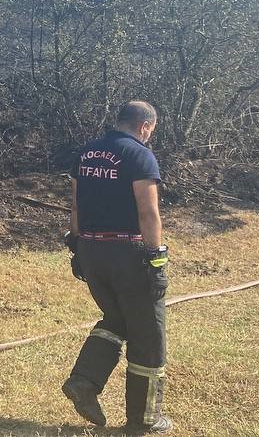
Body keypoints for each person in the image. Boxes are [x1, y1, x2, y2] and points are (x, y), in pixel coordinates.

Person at [61, 101, 173, 435]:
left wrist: (77, 246)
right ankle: (145, 419)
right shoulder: (140, 156)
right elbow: (148, 213)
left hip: (91, 251)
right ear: (145, 126)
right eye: (151, 131)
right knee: (148, 334)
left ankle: (84, 382)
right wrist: (156, 259)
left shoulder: (86, 153)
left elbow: (76, 205)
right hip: (127, 254)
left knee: (117, 319)